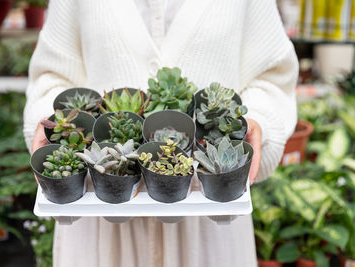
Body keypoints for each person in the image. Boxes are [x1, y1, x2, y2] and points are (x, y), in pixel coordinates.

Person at [23, 0, 298, 266]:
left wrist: (257, 121)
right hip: (98, 222)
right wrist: (49, 123)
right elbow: (52, 74)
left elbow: (272, 75)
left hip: (210, 224)